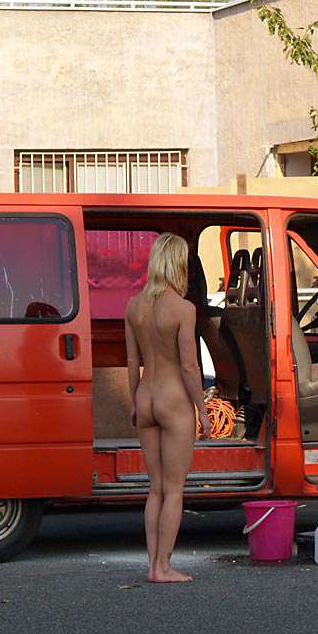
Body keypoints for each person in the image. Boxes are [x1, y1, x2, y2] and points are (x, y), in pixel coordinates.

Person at [124, 233, 210, 583]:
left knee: (156, 488)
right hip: (173, 399)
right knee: (175, 489)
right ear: (178, 264)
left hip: (145, 396)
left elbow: (132, 362)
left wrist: (134, 401)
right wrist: (202, 409)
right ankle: (164, 567)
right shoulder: (183, 309)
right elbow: (189, 366)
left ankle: (152, 566)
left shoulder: (134, 306)